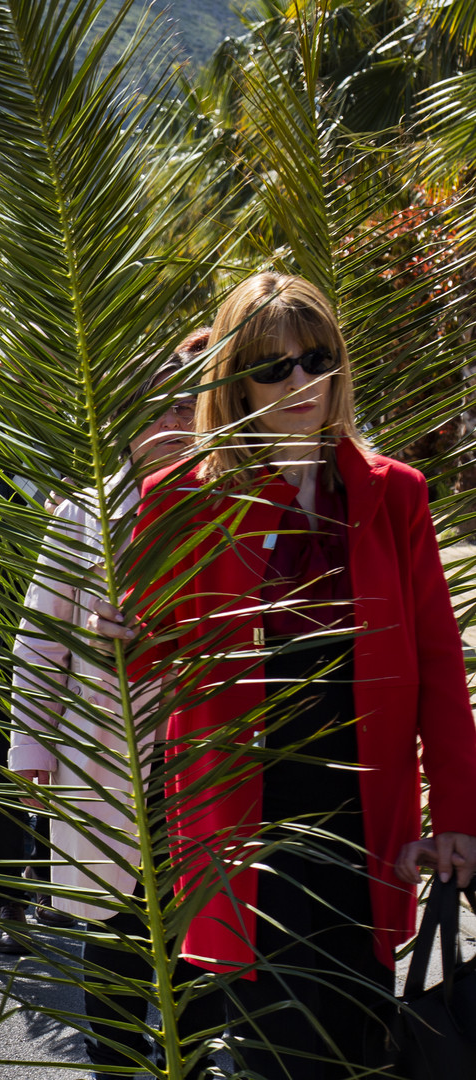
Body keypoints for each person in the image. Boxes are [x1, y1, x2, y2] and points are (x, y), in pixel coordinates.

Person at [121, 274, 476, 1078]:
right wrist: (120, 627)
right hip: (244, 829)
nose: (300, 383)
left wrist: (456, 810)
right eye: (272, 367)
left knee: (358, 1040)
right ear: (232, 378)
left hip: (364, 830)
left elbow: (437, 666)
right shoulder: (179, 498)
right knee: (275, 1052)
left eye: (315, 360)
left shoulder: (393, 496)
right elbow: (150, 659)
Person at [6, 339, 212, 1076]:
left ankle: (182, 1057)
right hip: (103, 757)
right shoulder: (86, 516)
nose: (173, 420)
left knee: (197, 935)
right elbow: (39, 641)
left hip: (201, 762)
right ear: (122, 417)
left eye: (188, 404)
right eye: (157, 405)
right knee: (114, 930)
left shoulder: (225, 500)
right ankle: (116, 1062)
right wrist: (29, 750)